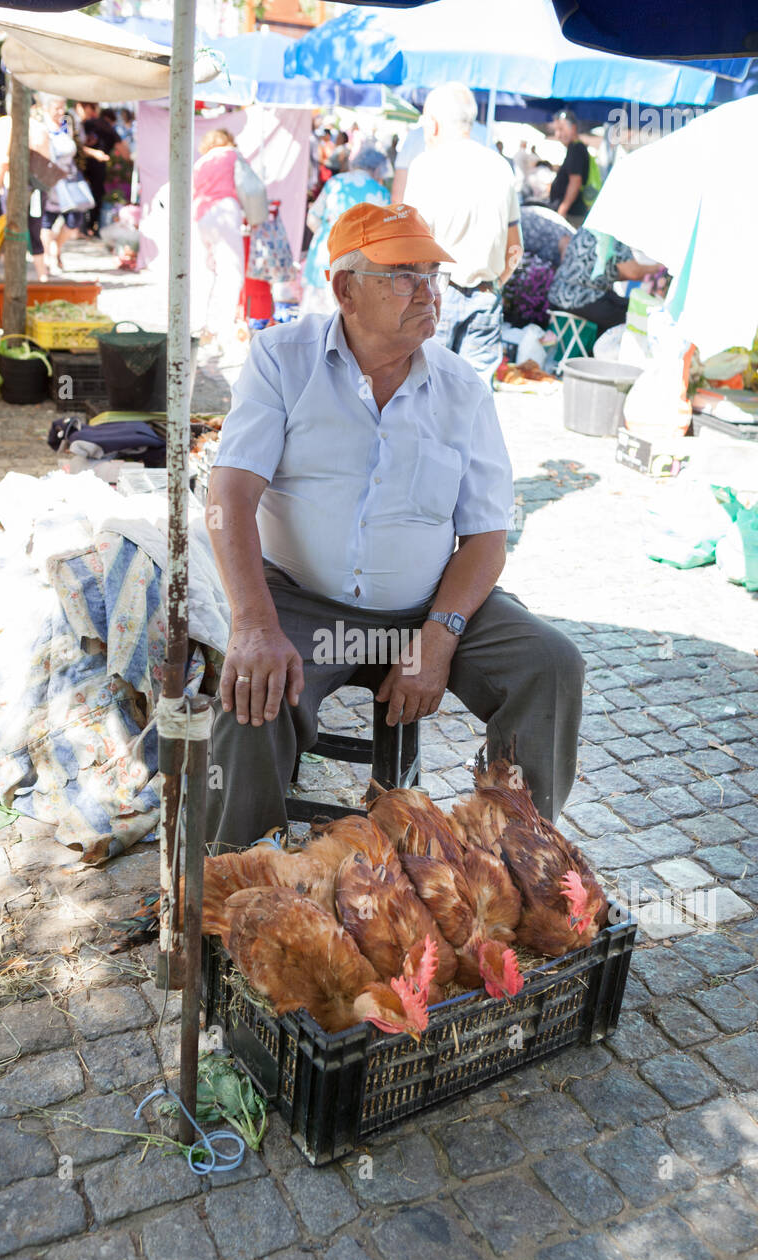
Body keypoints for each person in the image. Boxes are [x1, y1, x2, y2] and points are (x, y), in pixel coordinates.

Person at [203, 201, 585, 851]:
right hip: (301, 602)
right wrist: (254, 622)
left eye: (432, 274)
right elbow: (230, 494)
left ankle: (513, 858)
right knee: (249, 696)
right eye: (404, 275)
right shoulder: (281, 359)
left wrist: (441, 634)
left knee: (550, 664)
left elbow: (486, 538)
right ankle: (241, 887)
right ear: (345, 288)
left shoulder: (463, 388)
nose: (429, 292)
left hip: (426, 606)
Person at [404, 83, 523, 386]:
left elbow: (409, 244)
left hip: (435, 292)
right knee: (475, 395)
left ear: (433, 123)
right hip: (486, 294)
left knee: (425, 390)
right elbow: (515, 249)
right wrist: (495, 283)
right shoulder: (500, 167)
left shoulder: (425, 166)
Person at [301, 145, 391, 316]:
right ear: (378, 169)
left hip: (325, 253)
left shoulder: (335, 182)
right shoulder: (381, 193)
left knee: (314, 319)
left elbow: (312, 218)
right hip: (358, 261)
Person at [191, 128, 251, 352]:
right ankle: (222, 330)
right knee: (231, 273)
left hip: (200, 215)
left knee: (204, 273)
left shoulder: (201, 162)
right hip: (224, 211)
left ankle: (200, 325)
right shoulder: (232, 154)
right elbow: (250, 185)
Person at [0, 100, 51, 282]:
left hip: (16, 188)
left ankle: (12, 276)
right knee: (33, 232)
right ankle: (42, 275)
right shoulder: (39, 127)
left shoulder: (6, 124)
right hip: (37, 188)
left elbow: (0, 162)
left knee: (12, 231)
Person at [547, 226, 654, 330]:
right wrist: (660, 269)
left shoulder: (586, 228)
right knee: (638, 314)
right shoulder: (613, 235)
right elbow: (634, 272)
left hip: (557, 294)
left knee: (627, 306)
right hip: (581, 299)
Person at [39, 95, 83, 274]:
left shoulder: (67, 124)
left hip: (69, 180)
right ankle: (49, 256)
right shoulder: (42, 126)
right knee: (47, 219)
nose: (60, 112)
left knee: (74, 219)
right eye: (57, 108)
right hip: (49, 180)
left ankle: (56, 247)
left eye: (62, 108)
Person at [75, 100, 127, 237]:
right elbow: (124, 151)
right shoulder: (105, 127)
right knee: (95, 196)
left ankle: (84, 228)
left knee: (85, 197)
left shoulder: (87, 124)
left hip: (84, 167)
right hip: (96, 167)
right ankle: (90, 226)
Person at [549, 110, 590, 226]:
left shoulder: (576, 148)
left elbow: (575, 181)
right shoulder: (575, 148)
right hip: (573, 213)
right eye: (556, 130)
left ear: (573, 128)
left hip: (572, 215)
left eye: (561, 129)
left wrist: (563, 209)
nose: (558, 134)